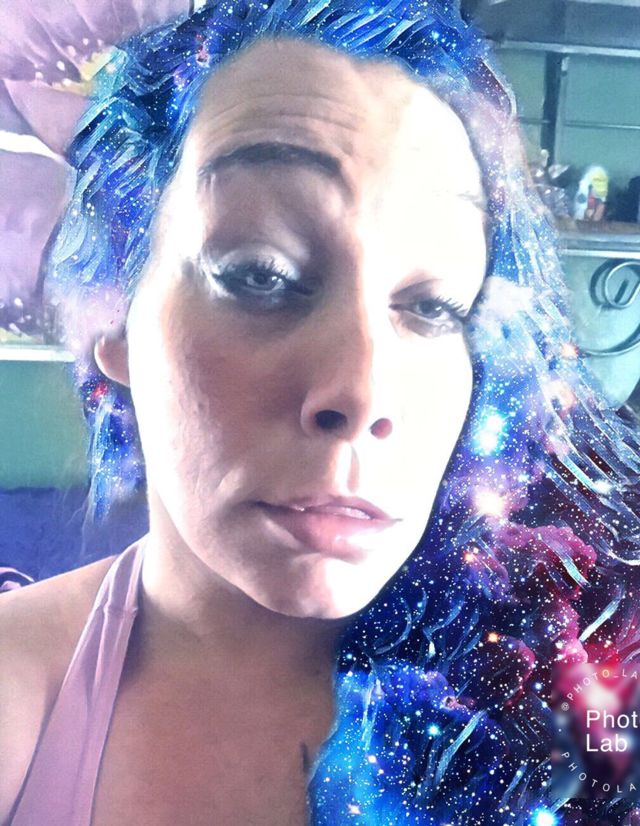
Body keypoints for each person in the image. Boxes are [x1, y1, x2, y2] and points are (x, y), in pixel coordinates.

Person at [2, 1, 640, 824]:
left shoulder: (577, 699)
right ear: (115, 317)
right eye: (260, 274)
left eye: (436, 306)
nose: (363, 391)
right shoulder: (18, 688)